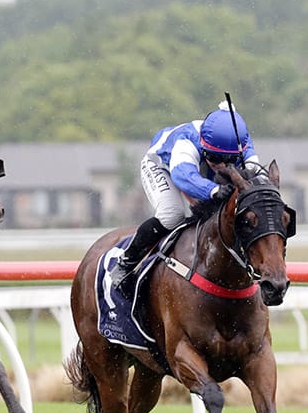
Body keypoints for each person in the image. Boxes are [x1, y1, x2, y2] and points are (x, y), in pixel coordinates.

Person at [108, 106, 260, 295]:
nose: (220, 165)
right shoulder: (186, 142)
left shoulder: (241, 143)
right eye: (214, 157)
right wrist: (213, 190)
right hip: (163, 167)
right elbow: (183, 176)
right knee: (172, 215)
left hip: (198, 171)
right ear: (204, 146)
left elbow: (257, 177)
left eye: (229, 159)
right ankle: (126, 263)